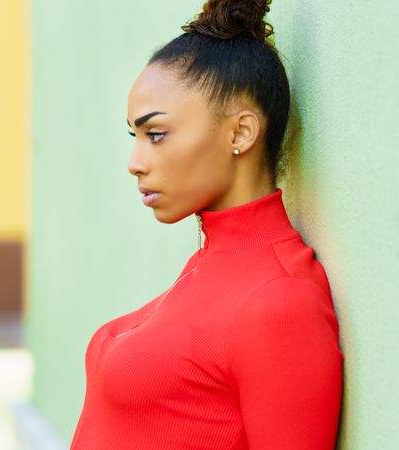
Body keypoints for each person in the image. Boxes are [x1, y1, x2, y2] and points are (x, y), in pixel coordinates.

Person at [69, 0, 344, 449]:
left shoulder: (279, 300)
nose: (135, 164)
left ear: (240, 133)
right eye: (135, 137)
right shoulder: (211, 264)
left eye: (155, 135)